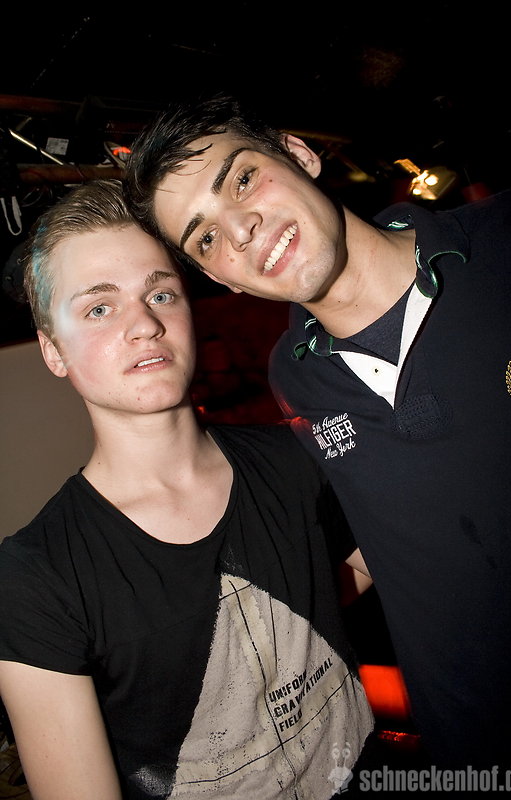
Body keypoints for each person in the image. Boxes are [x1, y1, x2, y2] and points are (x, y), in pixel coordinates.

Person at [123, 93, 511, 771]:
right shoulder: (297, 378)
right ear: (216, 275)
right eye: (205, 239)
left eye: (242, 179)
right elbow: (391, 538)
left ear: (299, 154)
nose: (240, 232)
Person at [0, 180, 375, 800]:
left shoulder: (299, 457)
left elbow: (355, 573)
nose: (145, 324)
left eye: (160, 294)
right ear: (53, 351)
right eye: (98, 308)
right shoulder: (35, 575)